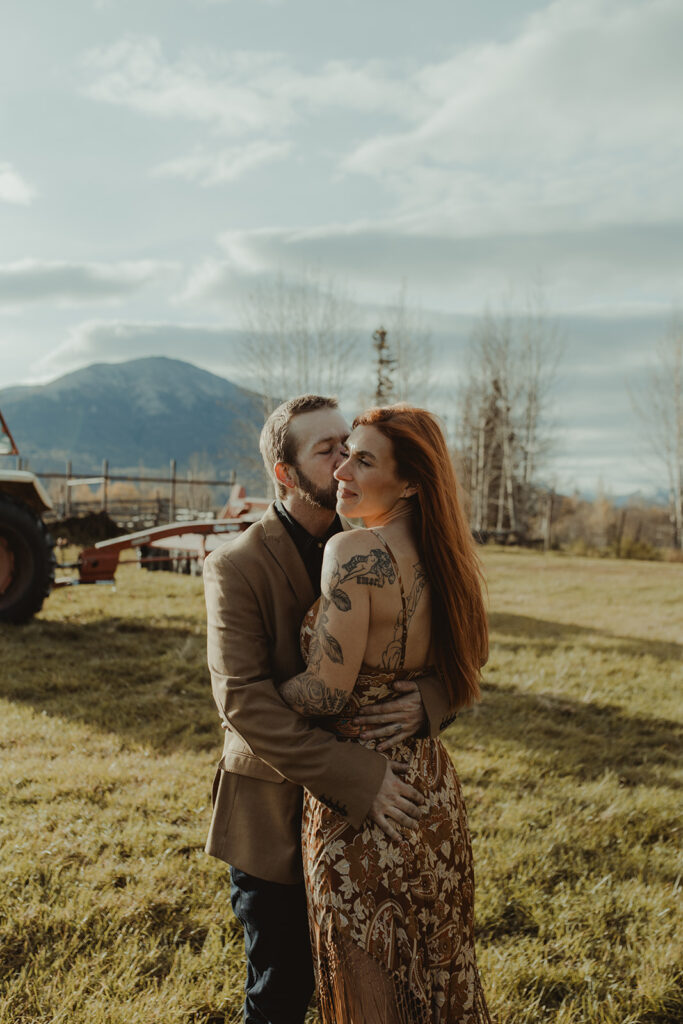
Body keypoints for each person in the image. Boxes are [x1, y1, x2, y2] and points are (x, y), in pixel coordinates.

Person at [203, 395, 455, 1024]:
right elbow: (244, 703)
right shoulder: (235, 566)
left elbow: (448, 651)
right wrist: (355, 777)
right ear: (285, 474)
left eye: (350, 445)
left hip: (380, 826)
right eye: (327, 451)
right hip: (275, 812)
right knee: (282, 991)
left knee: (377, 992)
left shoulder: (388, 540)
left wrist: (429, 703)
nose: (346, 461)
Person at [278, 403, 491, 1023]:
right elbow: (469, 663)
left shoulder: (352, 551)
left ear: (411, 483)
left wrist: (258, 697)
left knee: (368, 990)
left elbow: (326, 693)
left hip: (365, 807)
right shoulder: (446, 555)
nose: (342, 469)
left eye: (364, 460)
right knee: (436, 980)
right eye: (344, 454)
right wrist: (427, 701)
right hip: (431, 797)